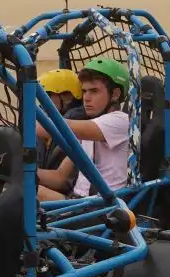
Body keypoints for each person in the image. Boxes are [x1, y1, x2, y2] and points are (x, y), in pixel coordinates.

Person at [35, 57, 132, 201]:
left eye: (94, 91)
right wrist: (17, 171)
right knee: (16, 187)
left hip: (105, 208)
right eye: (84, 91)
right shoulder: (91, 127)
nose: (86, 98)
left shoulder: (120, 121)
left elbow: (53, 127)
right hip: (78, 203)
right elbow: (60, 177)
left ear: (115, 94)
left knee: (22, 194)